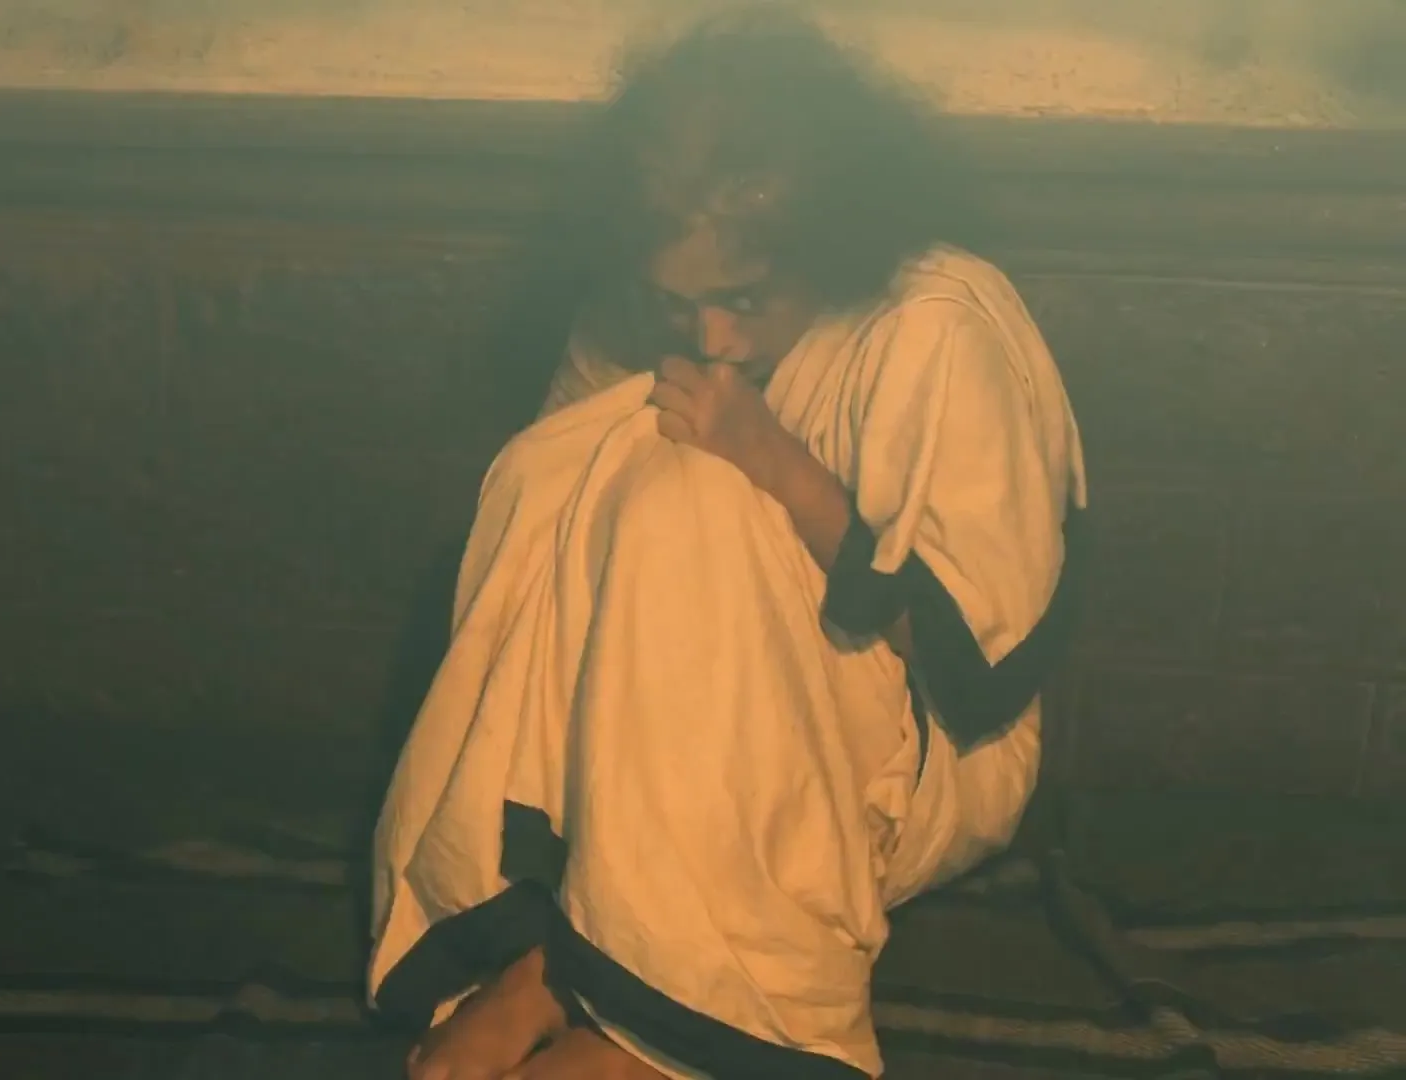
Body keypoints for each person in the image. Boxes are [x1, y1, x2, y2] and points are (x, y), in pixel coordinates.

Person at [367, 8, 1088, 1080]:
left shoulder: (936, 324)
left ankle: (663, 1034)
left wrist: (777, 465)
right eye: (680, 303)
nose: (711, 337)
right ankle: (562, 965)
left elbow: (970, 671)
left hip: (917, 756)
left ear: (831, 242)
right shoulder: (645, 310)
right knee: (593, 470)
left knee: (692, 490)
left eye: (745, 300)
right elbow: (552, 578)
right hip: (647, 742)